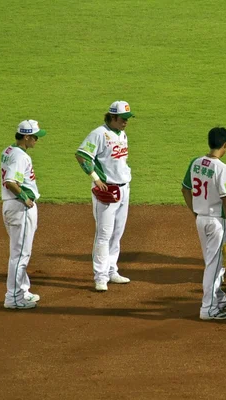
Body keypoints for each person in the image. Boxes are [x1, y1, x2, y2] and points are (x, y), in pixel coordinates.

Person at [75, 101, 133, 292]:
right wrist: (95, 178)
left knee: (117, 233)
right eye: (123, 119)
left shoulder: (122, 134)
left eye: (127, 119)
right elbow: (82, 155)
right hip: (107, 190)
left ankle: (111, 270)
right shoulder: (99, 133)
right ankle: (100, 276)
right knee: (104, 234)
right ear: (112, 117)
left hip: (124, 188)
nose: (126, 122)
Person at [181, 127, 226, 320]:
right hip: (216, 222)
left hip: (201, 219)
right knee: (214, 265)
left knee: (211, 262)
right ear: (225, 145)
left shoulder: (195, 162)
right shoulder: (223, 169)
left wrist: (195, 212)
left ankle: (218, 298)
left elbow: (185, 189)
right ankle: (208, 308)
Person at [1, 120, 47, 309]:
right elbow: (11, 182)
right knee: (20, 255)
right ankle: (13, 298)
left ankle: (23, 290)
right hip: (20, 209)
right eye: (35, 136)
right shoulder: (20, 156)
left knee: (19, 253)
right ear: (26, 136)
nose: (37, 140)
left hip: (11, 207)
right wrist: (24, 198)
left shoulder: (8, 151)